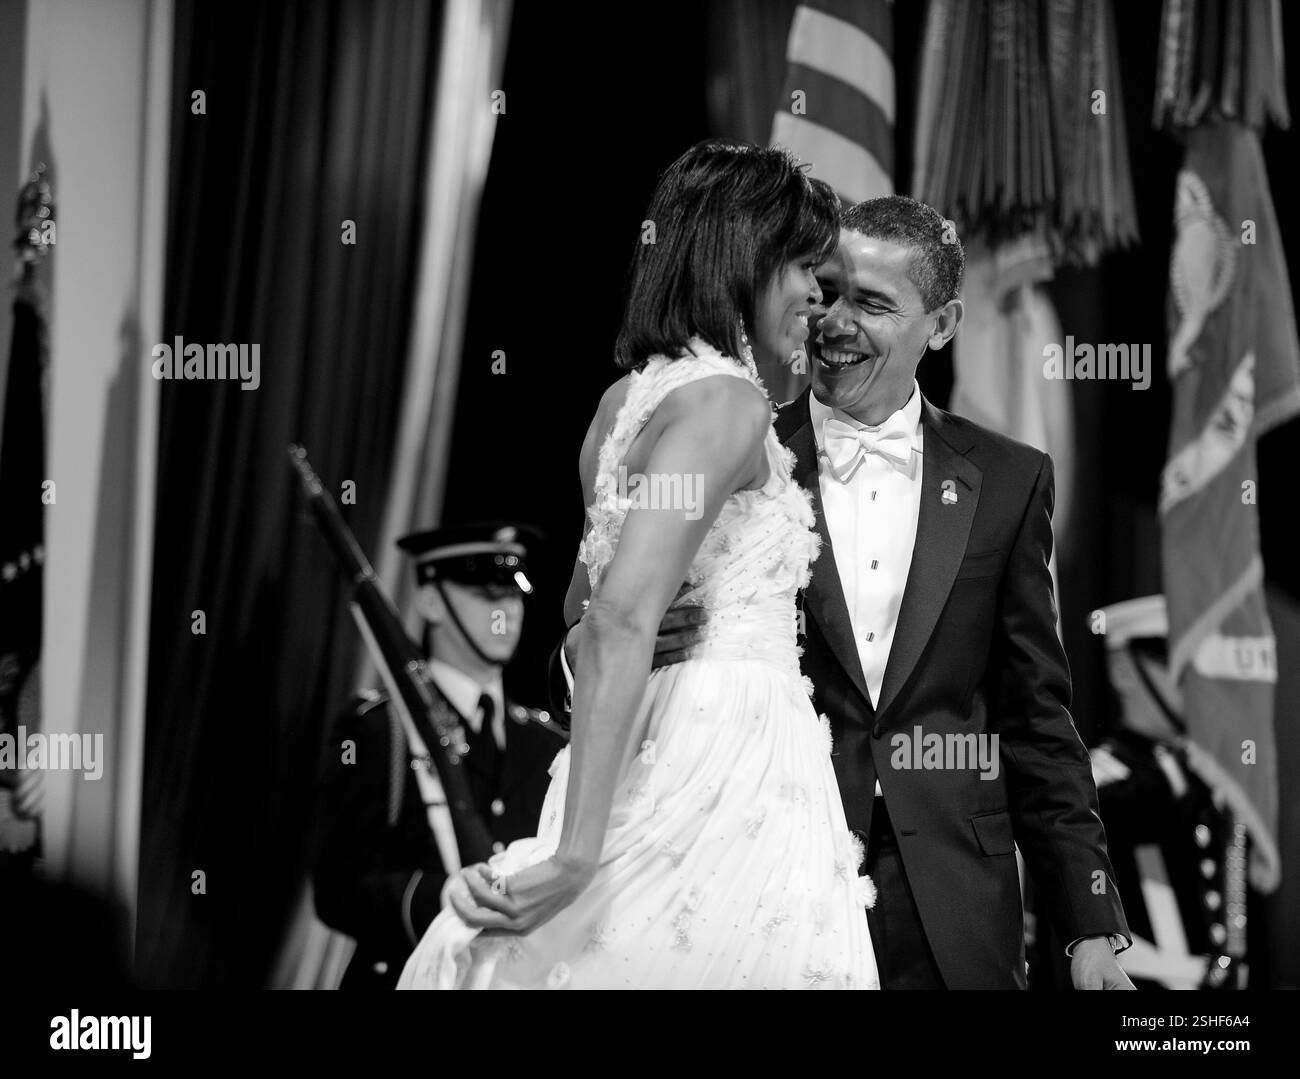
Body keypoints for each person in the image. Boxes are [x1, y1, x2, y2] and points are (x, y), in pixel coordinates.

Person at [617, 196, 1133, 988]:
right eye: (828, 290)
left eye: (874, 303)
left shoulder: (1009, 479)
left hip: (956, 907)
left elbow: (1037, 722)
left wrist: (1091, 926)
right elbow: (608, 625)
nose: (835, 321)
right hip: (770, 875)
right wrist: (628, 648)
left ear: (944, 322)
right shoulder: (737, 445)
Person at [398, 142, 879, 990]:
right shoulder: (728, 402)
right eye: (803, 265)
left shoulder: (621, 405)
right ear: (740, 254)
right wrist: (578, 853)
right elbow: (616, 619)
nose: (816, 294)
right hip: (724, 766)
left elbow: (580, 625)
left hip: (646, 741)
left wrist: (623, 630)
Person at [312, 521, 565, 990]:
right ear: (431, 602)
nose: (506, 611)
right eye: (486, 595)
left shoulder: (545, 741)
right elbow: (337, 889)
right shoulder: (380, 729)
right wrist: (441, 897)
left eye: (514, 594)